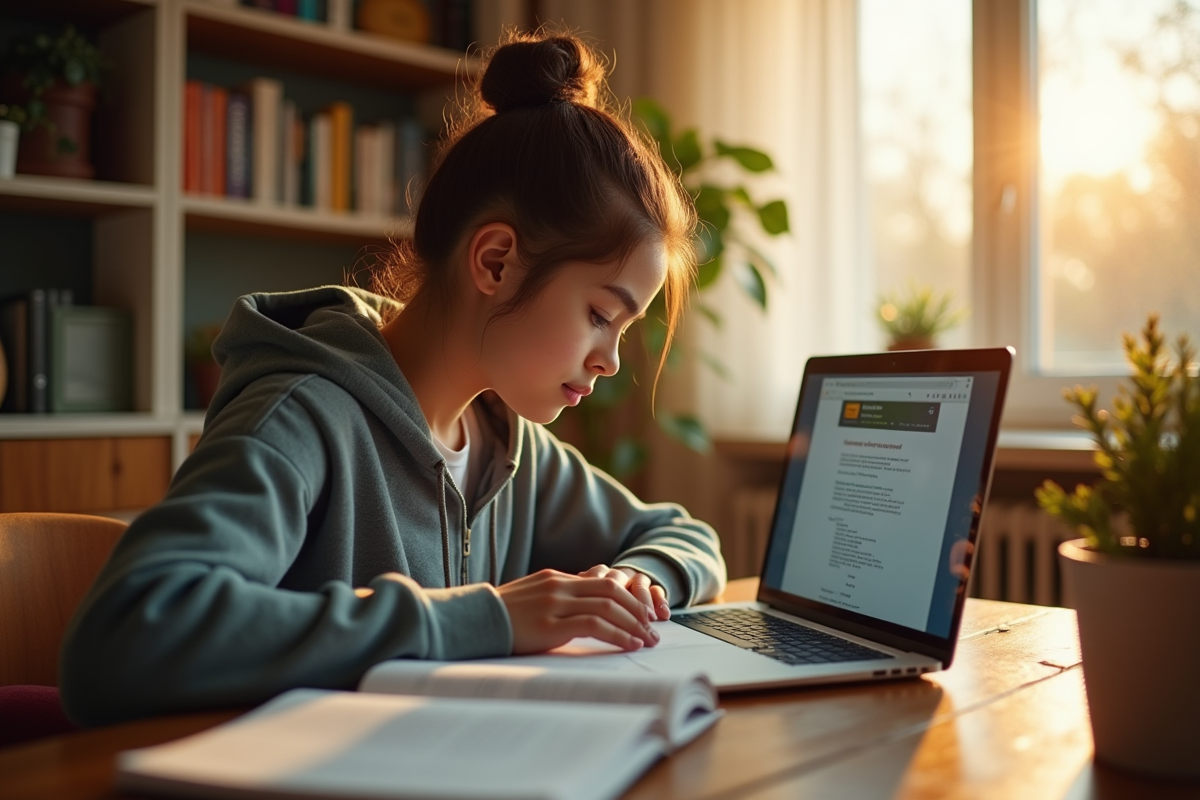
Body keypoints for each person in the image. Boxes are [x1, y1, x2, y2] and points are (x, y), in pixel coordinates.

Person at [59, 30, 726, 728]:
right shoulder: (302, 417)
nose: (610, 360)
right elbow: (124, 638)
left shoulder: (505, 442)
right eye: (599, 314)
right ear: (496, 262)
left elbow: (683, 534)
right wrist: (487, 617)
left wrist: (635, 582)